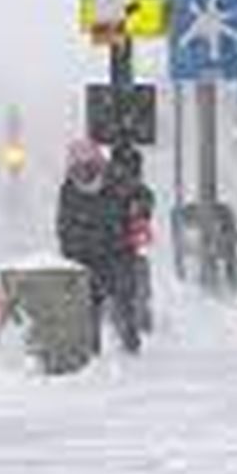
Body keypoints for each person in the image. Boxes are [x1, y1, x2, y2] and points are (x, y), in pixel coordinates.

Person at [57, 139, 153, 355]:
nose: (84, 173)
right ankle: (92, 351)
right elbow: (64, 225)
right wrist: (70, 254)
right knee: (88, 306)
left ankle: (130, 346)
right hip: (86, 256)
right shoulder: (69, 190)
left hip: (119, 250)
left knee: (124, 299)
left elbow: (144, 196)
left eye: (88, 167)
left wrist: (140, 215)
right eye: (78, 169)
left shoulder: (119, 179)